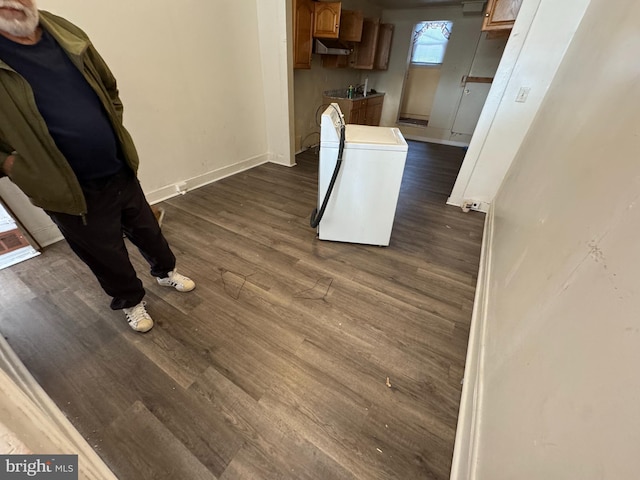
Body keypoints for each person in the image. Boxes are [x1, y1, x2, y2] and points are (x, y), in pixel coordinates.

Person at [0, 0, 195, 333]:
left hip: (117, 167)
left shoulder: (62, 30)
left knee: (148, 230)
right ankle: (131, 302)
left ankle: (166, 273)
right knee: (105, 255)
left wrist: (110, 129)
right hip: (66, 191)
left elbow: (108, 86)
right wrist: (14, 165)